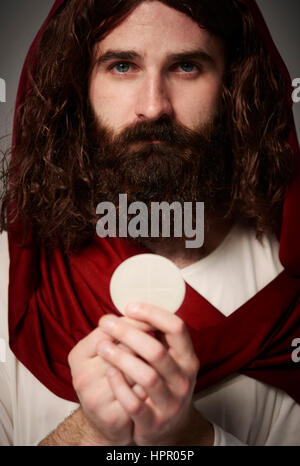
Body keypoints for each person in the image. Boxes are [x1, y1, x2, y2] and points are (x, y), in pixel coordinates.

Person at [0, 0, 299, 446]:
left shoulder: (287, 289)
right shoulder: (9, 276)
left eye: (186, 67)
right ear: (78, 86)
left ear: (233, 86)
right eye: (122, 66)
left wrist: (193, 438)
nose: (154, 106)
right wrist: (91, 430)